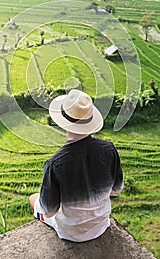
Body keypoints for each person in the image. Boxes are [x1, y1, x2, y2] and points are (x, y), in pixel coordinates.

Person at [29, 89, 123, 242]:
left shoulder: (55, 164)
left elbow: (49, 210)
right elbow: (116, 190)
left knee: (33, 199)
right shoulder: (109, 149)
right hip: (100, 225)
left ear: (63, 123)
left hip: (71, 232)